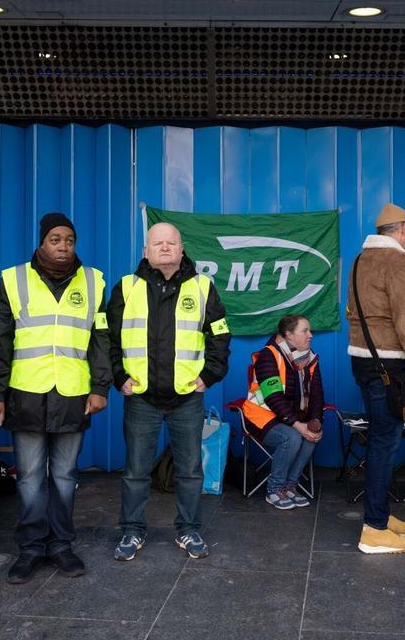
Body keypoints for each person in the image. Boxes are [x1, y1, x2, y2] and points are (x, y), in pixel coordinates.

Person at [0, 213, 111, 584]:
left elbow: (102, 341)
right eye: (55, 239)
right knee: (31, 477)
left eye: (69, 239)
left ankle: (61, 546)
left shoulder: (94, 282)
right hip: (26, 395)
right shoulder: (13, 280)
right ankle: (31, 548)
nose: (63, 246)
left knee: (66, 476)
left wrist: (101, 387)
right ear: (41, 242)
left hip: (73, 394)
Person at [108, 222, 230, 561]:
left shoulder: (203, 288)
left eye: (171, 243)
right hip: (142, 398)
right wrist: (119, 377)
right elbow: (108, 337)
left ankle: (188, 530)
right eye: (157, 243)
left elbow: (220, 334)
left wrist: (210, 374)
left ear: (181, 248)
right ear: (146, 251)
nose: (164, 248)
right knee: (135, 470)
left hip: (186, 398)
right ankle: (132, 531)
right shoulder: (126, 288)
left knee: (190, 470)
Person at [346, 203, 405, 555]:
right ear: (403, 230)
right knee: (385, 444)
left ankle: (380, 514)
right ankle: (374, 529)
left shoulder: (359, 261)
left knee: (381, 440)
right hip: (389, 365)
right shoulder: (398, 260)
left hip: (362, 360)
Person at [243, 314, 325, 510]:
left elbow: (317, 394)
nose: (310, 335)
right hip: (260, 417)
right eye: (305, 331)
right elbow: (273, 398)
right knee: (292, 437)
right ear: (288, 335)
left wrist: (315, 421)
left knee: (310, 436)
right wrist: (298, 425)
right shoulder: (268, 356)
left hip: (289, 418)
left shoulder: (309, 357)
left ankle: (289, 486)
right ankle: (274, 489)